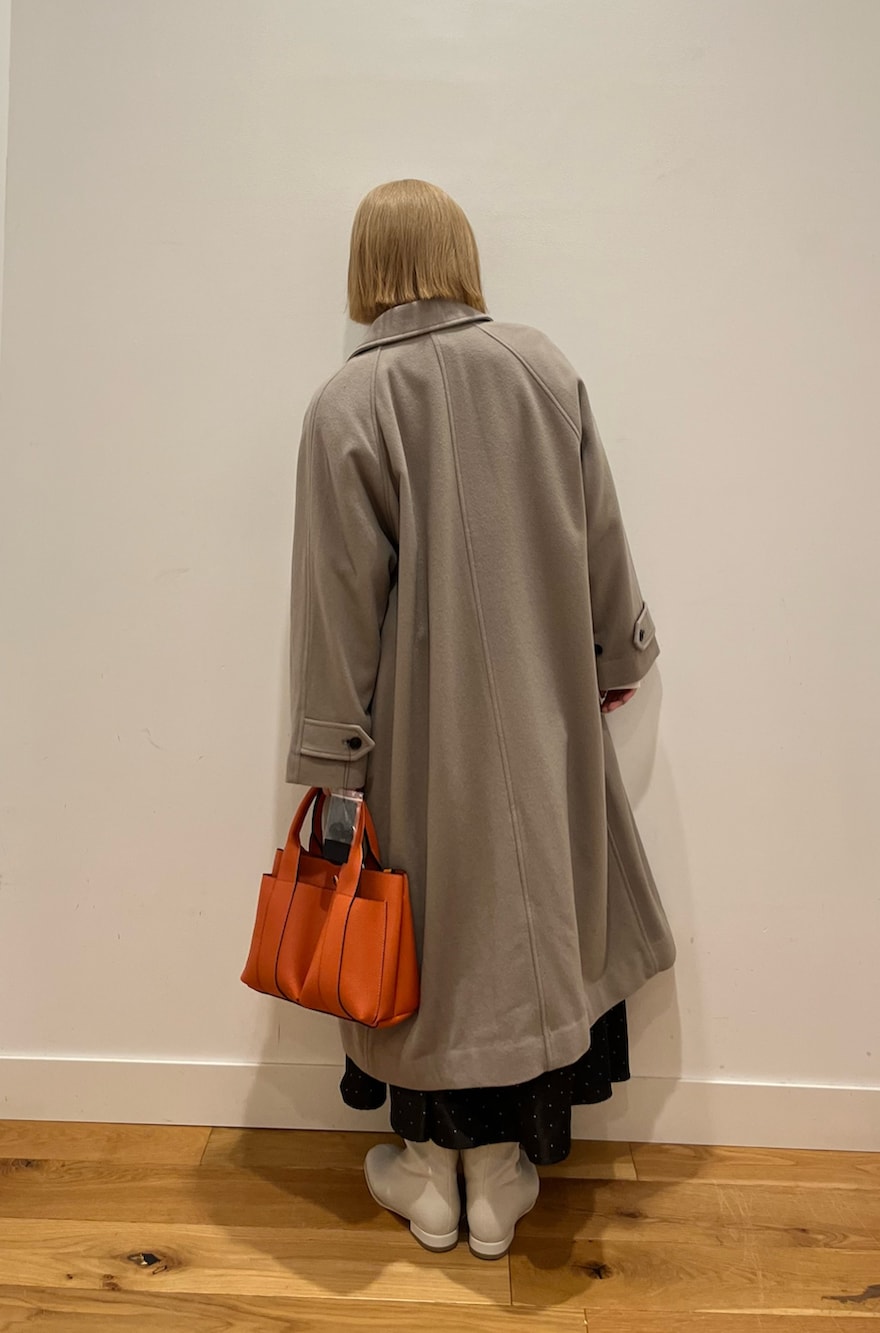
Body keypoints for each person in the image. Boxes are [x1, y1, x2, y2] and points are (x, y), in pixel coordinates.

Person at [285, 179, 676, 1260]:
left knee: (424, 946)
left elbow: (336, 603)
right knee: (533, 934)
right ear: (461, 253)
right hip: (547, 719)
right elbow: (600, 532)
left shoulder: (345, 405)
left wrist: (333, 752)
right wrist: (617, 652)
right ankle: (501, 1176)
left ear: (365, 267)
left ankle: (429, 1177)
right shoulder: (540, 367)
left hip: (417, 742)